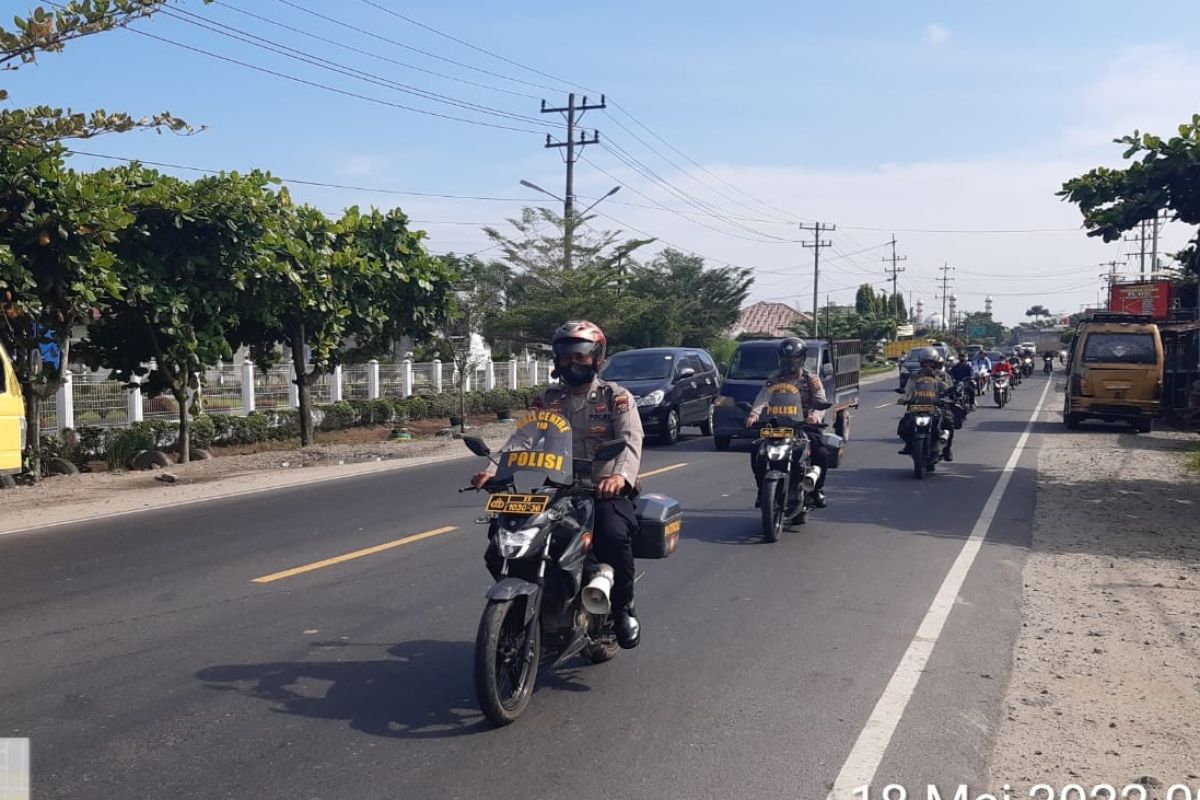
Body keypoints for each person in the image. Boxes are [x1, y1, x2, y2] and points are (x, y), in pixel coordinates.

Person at [470, 320, 644, 649]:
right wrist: (494, 469)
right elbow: (522, 438)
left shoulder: (615, 397)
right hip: (559, 488)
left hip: (603, 489)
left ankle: (623, 608)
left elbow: (630, 439)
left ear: (597, 359)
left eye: (581, 356)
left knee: (613, 535)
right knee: (504, 539)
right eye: (566, 357)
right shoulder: (548, 400)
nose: (573, 364)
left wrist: (619, 476)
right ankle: (542, 603)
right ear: (557, 360)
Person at [744, 337, 831, 509]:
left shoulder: (811, 379)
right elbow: (763, 397)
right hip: (777, 426)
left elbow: (821, 401)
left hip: (803, 425)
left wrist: (815, 416)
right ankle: (762, 490)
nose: (789, 362)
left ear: (801, 359)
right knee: (756, 450)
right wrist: (754, 415)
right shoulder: (774, 379)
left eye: (793, 359)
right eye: (785, 359)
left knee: (821, 452)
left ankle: (817, 489)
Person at [896, 347, 956, 461]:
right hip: (917, 406)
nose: (927, 365)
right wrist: (903, 399)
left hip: (936, 406)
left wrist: (936, 378)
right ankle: (909, 444)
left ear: (935, 363)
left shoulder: (942, 375)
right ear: (921, 363)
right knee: (905, 424)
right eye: (925, 363)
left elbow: (948, 388)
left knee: (949, 421)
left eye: (930, 363)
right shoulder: (915, 375)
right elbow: (908, 389)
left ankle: (947, 449)